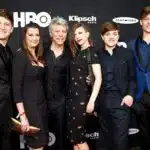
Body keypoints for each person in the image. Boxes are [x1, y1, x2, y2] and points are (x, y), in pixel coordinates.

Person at [97, 21, 136, 150]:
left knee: (120, 143)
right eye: (108, 34)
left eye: (115, 34)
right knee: (105, 143)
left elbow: (132, 78)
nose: (112, 37)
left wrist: (130, 95)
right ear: (102, 37)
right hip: (102, 104)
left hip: (121, 103)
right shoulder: (97, 55)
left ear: (118, 36)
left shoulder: (127, 54)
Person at [12, 22, 48, 150]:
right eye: (30, 34)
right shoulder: (20, 55)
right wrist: (23, 116)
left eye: (37, 35)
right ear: (25, 36)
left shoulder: (39, 56)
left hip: (42, 106)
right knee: (36, 146)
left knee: (41, 145)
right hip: (30, 108)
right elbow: (16, 88)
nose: (34, 38)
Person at [66, 23, 102, 150]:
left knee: (79, 139)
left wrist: (91, 101)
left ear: (87, 34)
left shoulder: (91, 52)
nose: (77, 36)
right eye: (75, 34)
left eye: (80, 33)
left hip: (83, 100)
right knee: (75, 140)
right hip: (72, 101)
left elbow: (98, 78)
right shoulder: (77, 53)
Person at [44, 16, 71, 150]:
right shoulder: (41, 51)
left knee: (60, 141)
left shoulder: (71, 53)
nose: (60, 34)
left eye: (63, 31)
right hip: (42, 103)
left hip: (62, 103)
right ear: (51, 33)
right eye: (57, 31)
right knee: (42, 140)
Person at [127, 6, 150, 150]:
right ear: (140, 22)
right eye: (146, 19)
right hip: (140, 98)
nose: (149, 22)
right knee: (144, 137)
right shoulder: (130, 45)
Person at [0, 9, 14, 150]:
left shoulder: (9, 51)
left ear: (11, 29)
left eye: (6, 24)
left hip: (7, 110)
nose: (2, 27)